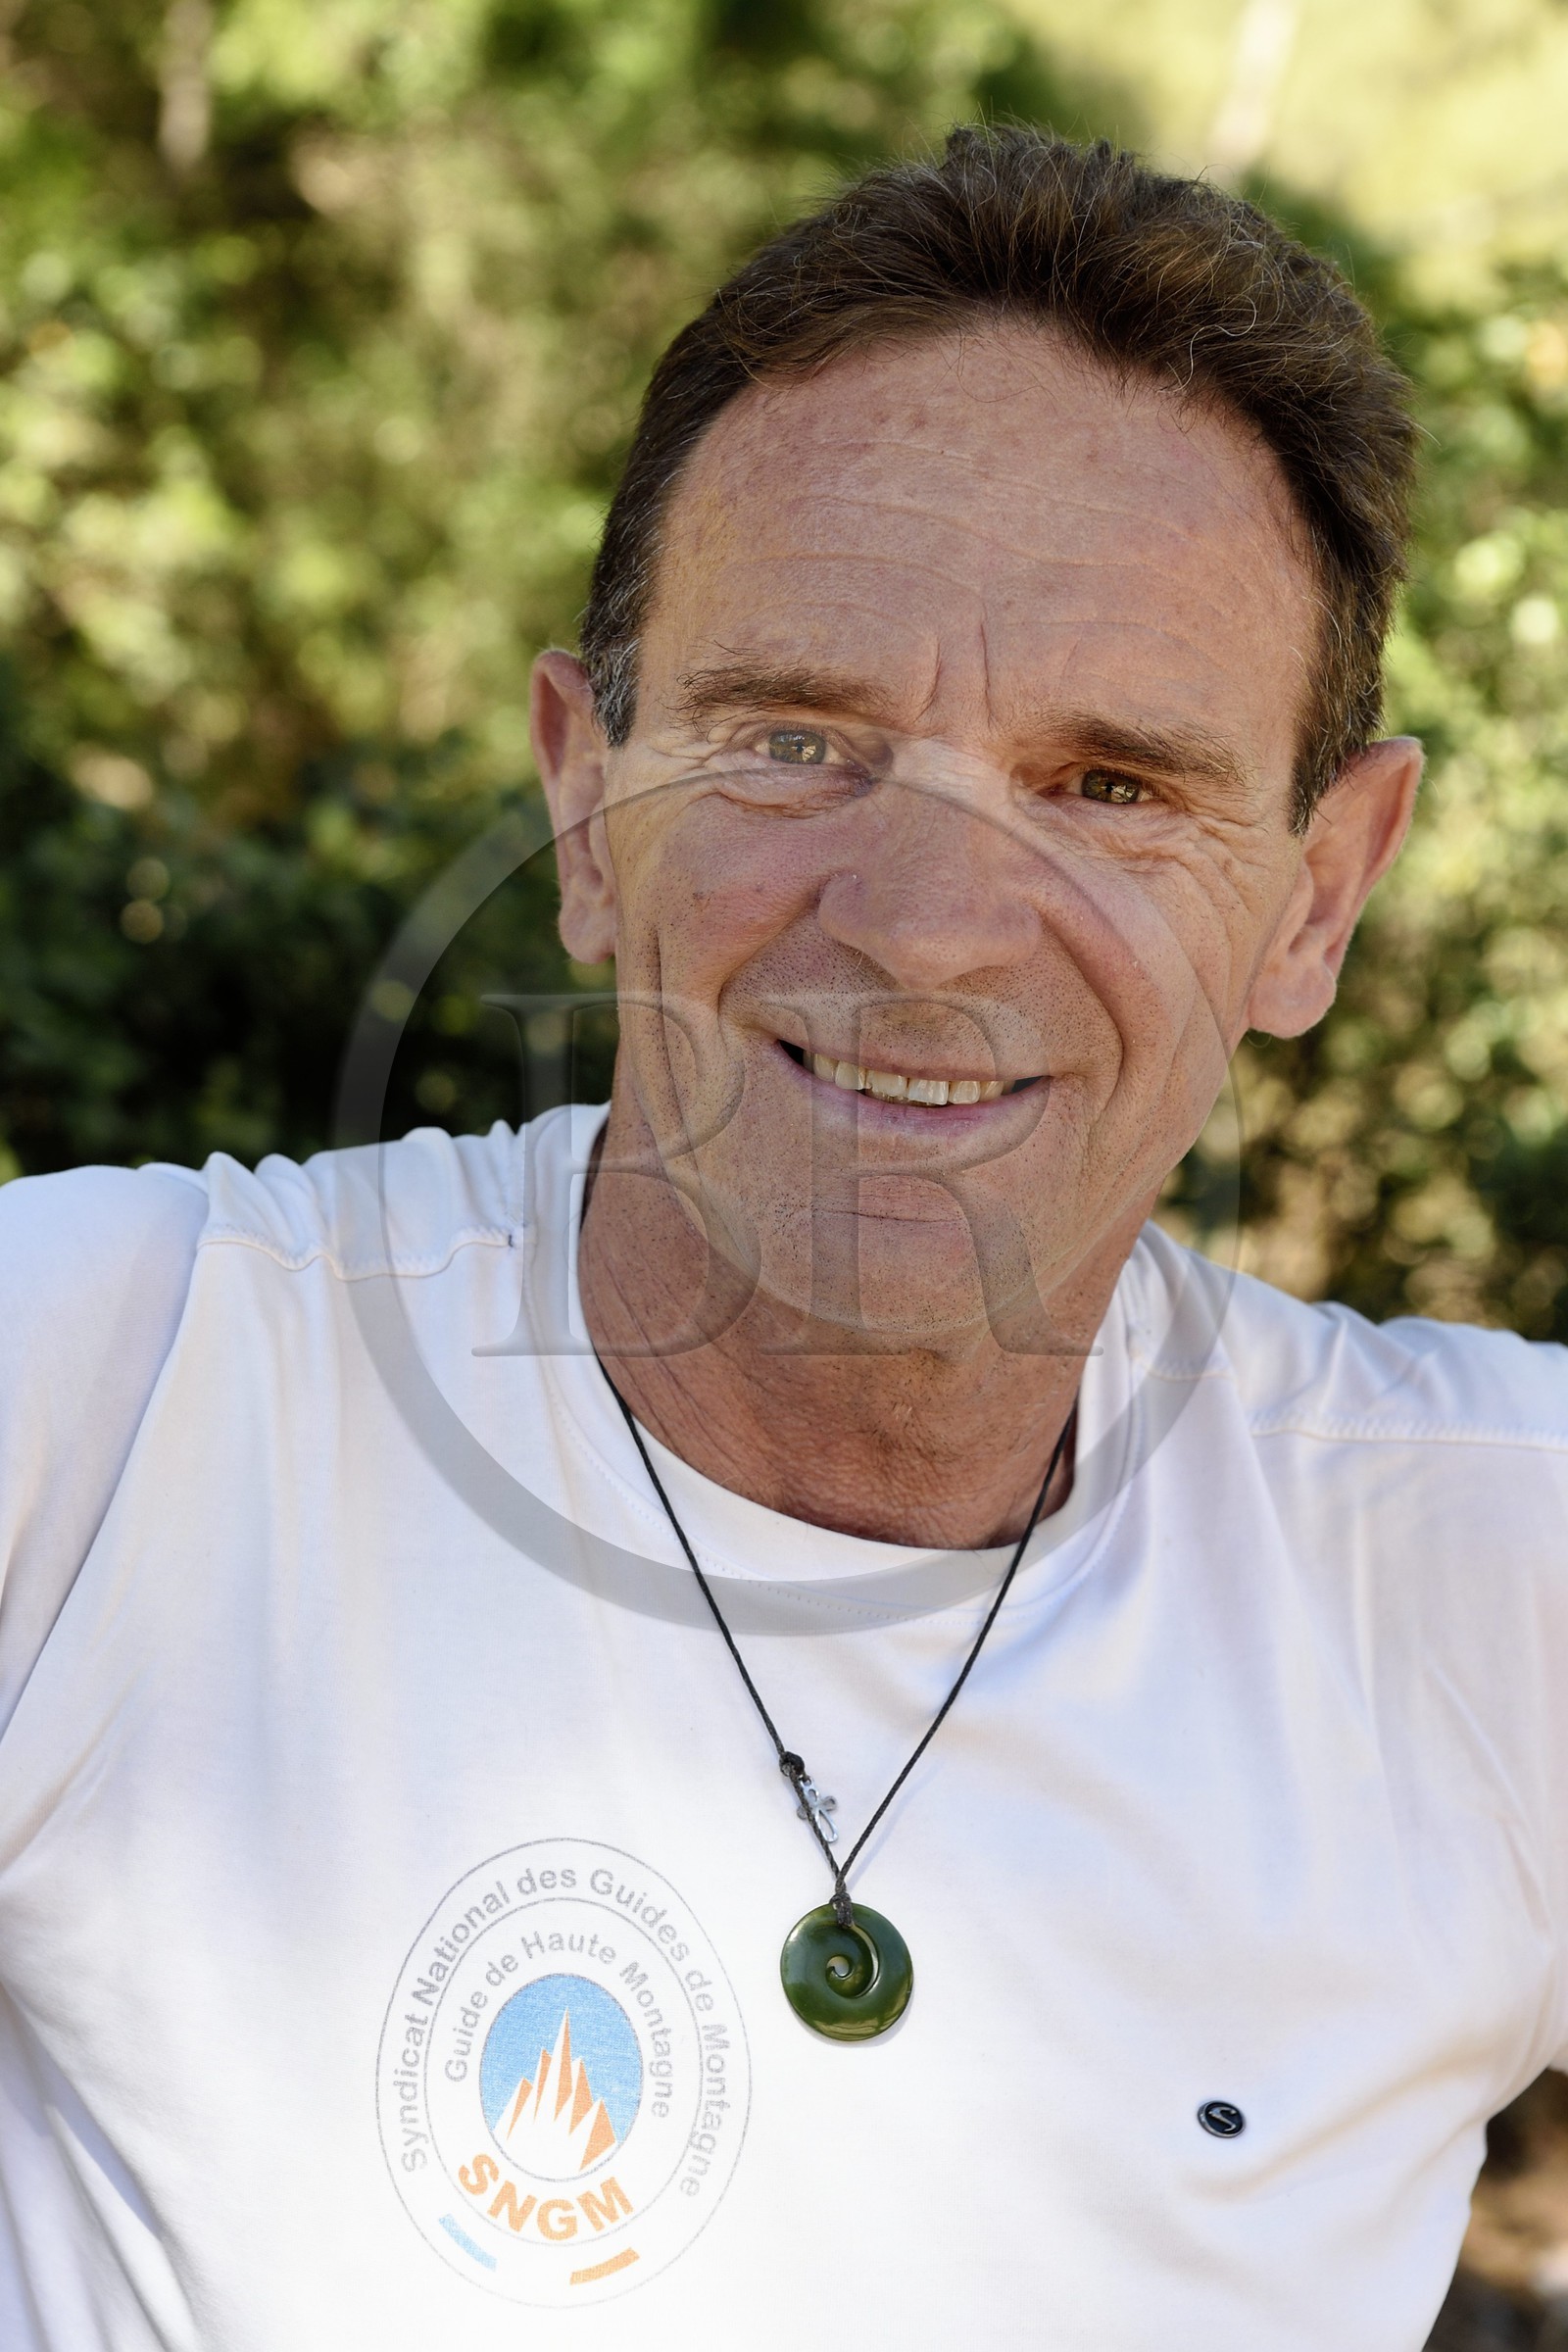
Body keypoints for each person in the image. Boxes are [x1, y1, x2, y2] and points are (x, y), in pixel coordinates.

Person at [0, 125, 1562, 2352]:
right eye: (795, 740)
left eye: (1108, 786)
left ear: (1315, 892)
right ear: (577, 796)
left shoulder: (1483, 1576)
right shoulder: (102, 1405)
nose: (923, 923)